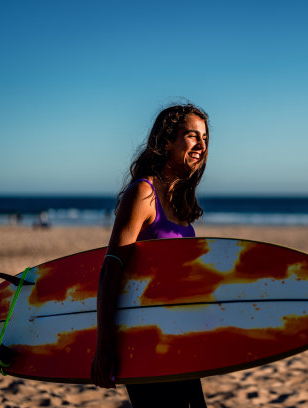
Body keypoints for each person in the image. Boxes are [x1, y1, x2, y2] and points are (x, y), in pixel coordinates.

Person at [90, 104, 210, 408]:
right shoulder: (143, 193)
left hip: (179, 338)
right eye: (192, 136)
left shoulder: (179, 202)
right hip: (146, 340)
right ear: (167, 141)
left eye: (205, 138)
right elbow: (111, 268)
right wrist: (104, 347)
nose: (201, 145)